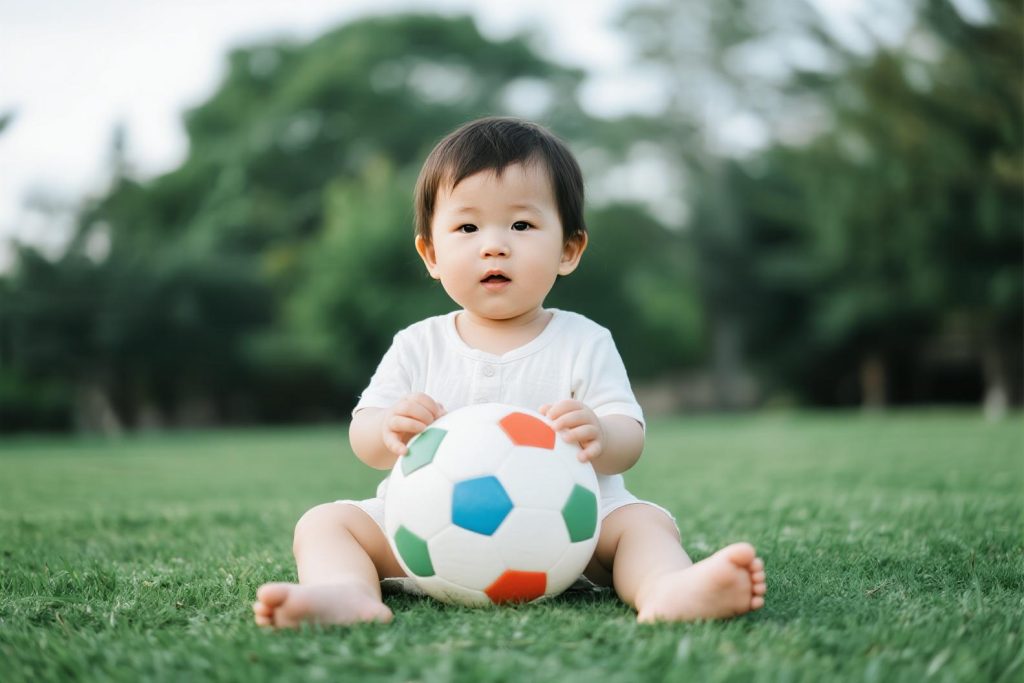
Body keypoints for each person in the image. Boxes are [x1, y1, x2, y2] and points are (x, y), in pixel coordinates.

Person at [253, 117, 766, 627]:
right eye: (467, 227)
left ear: (569, 249)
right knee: (325, 523)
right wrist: (388, 427)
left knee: (644, 524)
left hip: (576, 536)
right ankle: (345, 593)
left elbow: (628, 438)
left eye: (521, 225)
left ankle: (667, 588)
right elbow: (364, 438)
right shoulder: (418, 344)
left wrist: (599, 431)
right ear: (431, 254)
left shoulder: (583, 341)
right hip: (423, 527)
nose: (494, 245)